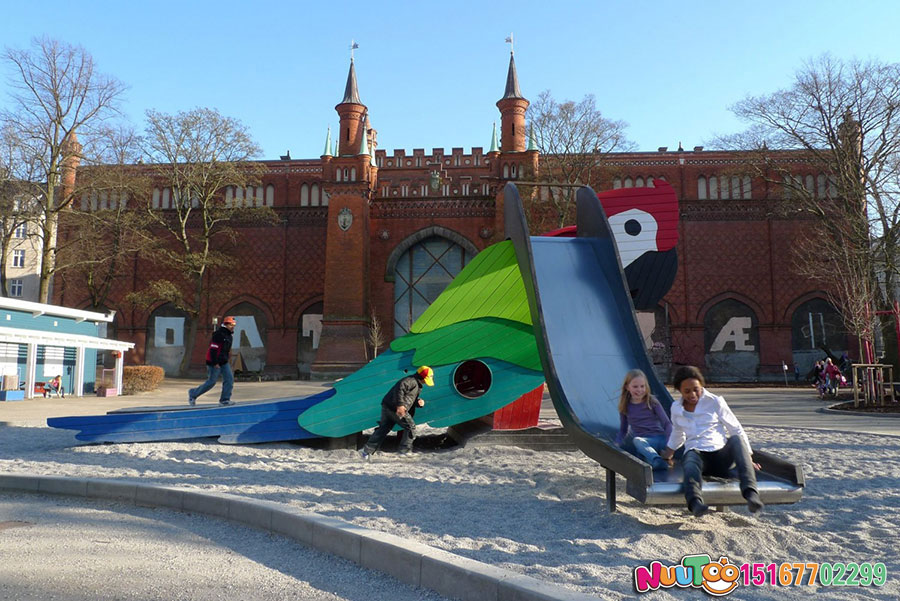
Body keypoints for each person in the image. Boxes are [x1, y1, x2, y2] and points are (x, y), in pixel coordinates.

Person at [660, 365, 763, 517]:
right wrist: (668, 453)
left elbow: (735, 428)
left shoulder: (715, 402)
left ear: (701, 385)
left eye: (696, 389)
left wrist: (748, 459)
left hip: (721, 456)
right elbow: (678, 432)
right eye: (687, 391)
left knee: (735, 439)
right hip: (700, 458)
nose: (693, 394)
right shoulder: (676, 408)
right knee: (689, 459)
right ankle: (695, 503)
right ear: (680, 391)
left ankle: (751, 494)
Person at [359, 366, 434, 459]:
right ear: (422, 377)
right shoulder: (411, 381)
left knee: (384, 428)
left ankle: (366, 451)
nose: (426, 382)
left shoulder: (414, 382)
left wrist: (418, 402)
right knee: (411, 427)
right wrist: (400, 405)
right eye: (426, 380)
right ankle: (404, 451)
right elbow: (399, 388)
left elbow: (407, 397)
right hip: (396, 408)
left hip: (388, 405)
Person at [614, 369, 672, 470]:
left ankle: (657, 459)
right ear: (627, 387)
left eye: (642, 386)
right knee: (638, 443)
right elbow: (623, 430)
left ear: (646, 387)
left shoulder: (652, 402)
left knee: (681, 438)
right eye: (635, 387)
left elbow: (667, 423)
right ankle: (657, 460)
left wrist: (669, 443)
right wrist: (616, 443)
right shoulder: (625, 406)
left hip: (660, 439)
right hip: (645, 443)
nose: (639, 390)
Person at [188, 316, 236, 406]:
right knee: (211, 382)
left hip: (223, 361)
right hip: (214, 361)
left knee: (229, 379)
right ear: (226, 324)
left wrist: (228, 358)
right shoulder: (219, 334)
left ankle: (224, 400)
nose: (233, 326)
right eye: (231, 325)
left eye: (234, 325)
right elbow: (213, 349)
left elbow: (226, 349)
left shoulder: (229, 335)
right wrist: (215, 362)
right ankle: (193, 393)